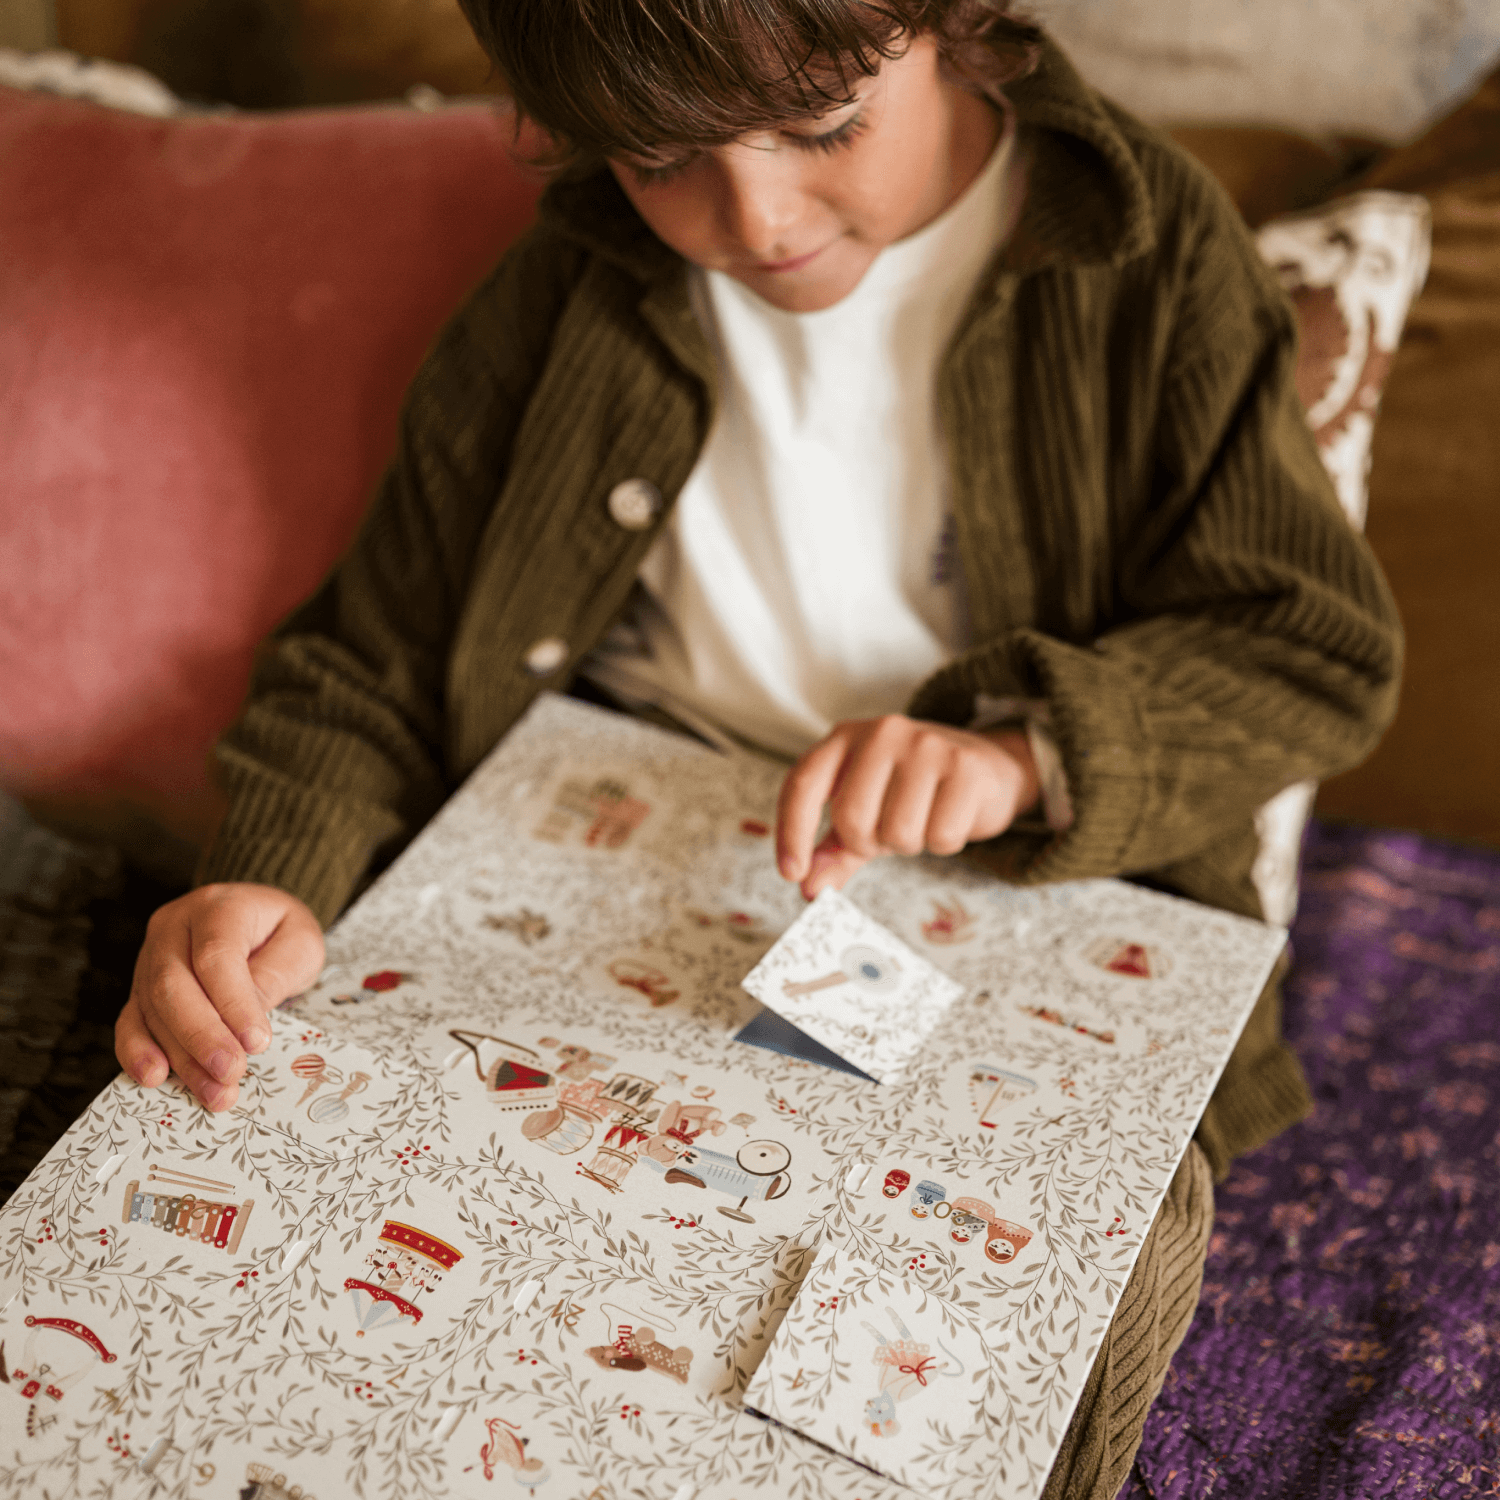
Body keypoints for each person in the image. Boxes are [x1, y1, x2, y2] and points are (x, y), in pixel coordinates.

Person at [114, 3, 1402, 1492]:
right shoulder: (569, 283)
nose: (756, 216)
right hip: (595, 885)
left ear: (956, 24)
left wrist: (1020, 755)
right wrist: (270, 879)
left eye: (825, 126)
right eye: (662, 158)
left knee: (957, 1369)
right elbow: (370, 663)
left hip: (1030, 924)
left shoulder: (1149, 250)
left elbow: (1307, 652)